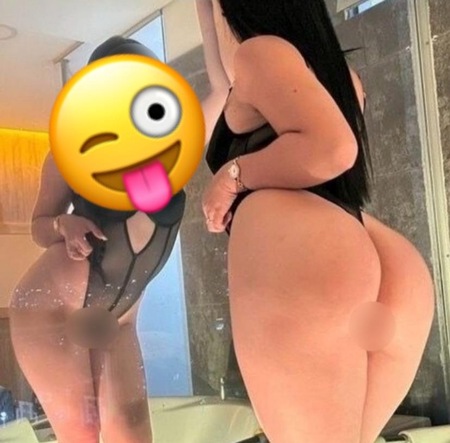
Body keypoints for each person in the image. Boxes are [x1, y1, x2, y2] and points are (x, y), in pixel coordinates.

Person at [196, 1, 435, 442]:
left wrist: (232, 177)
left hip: (308, 259)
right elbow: (220, 69)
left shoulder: (259, 54)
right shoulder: (336, 76)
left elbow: (333, 149)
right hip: (383, 262)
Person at [9, 36, 185, 443]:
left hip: (120, 317)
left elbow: (220, 92)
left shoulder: (172, 149)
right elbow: (39, 226)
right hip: (51, 306)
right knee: (82, 435)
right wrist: (63, 225)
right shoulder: (71, 152)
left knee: (134, 434)